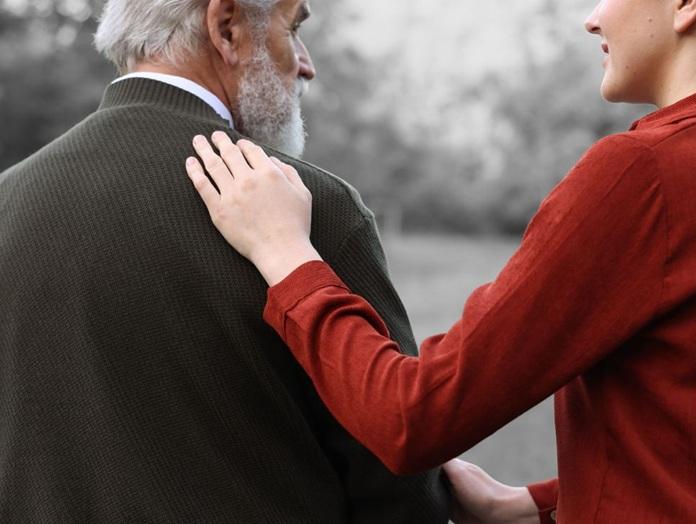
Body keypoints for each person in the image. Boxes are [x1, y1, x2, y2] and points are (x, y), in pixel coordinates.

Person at [184, 0, 696, 523]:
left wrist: (286, 255)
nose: (592, 19)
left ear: (688, 6)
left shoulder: (647, 175)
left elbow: (413, 416)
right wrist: (534, 504)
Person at [0, 0, 450, 522]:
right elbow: (397, 482)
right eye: (293, 28)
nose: (306, 64)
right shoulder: (310, 207)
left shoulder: (7, 200)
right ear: (227, 28)